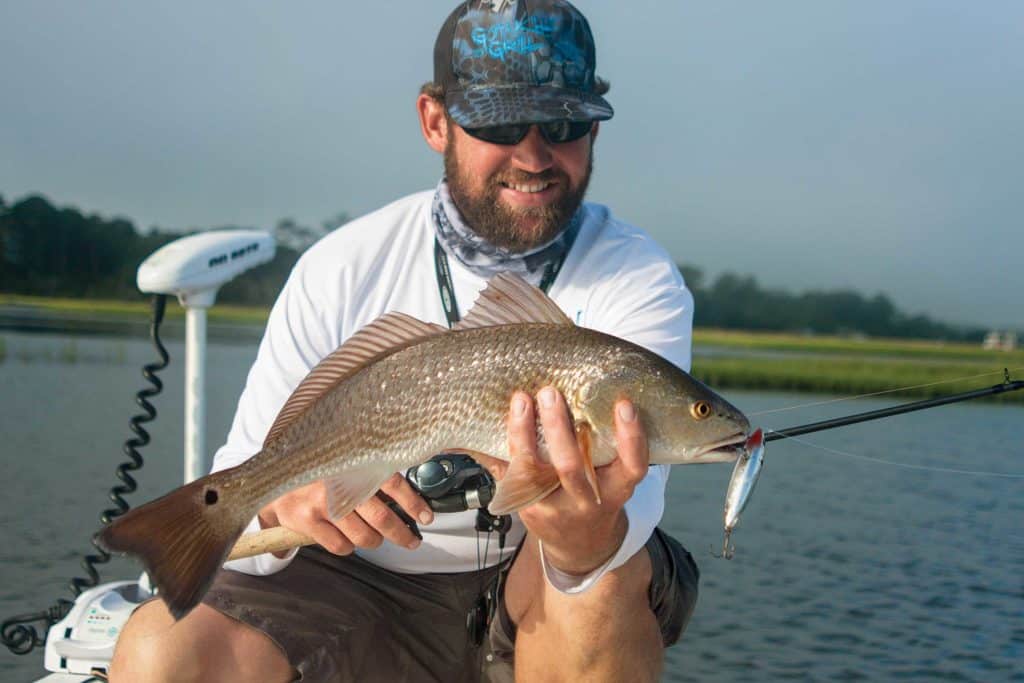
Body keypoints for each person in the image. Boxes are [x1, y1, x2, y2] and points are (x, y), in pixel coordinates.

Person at [110, 1, 700, 681]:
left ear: (595, 129)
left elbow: (639, 503)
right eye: (501, 122)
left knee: (601, 570)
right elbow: (243, 493)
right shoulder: (342, 265)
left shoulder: (638, 278)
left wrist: (584, 535)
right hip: (348, 580)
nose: (534, 155)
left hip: (530, 582)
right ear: (434, 121)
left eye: (564, 123)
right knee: (162, 650)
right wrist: (283, 498)